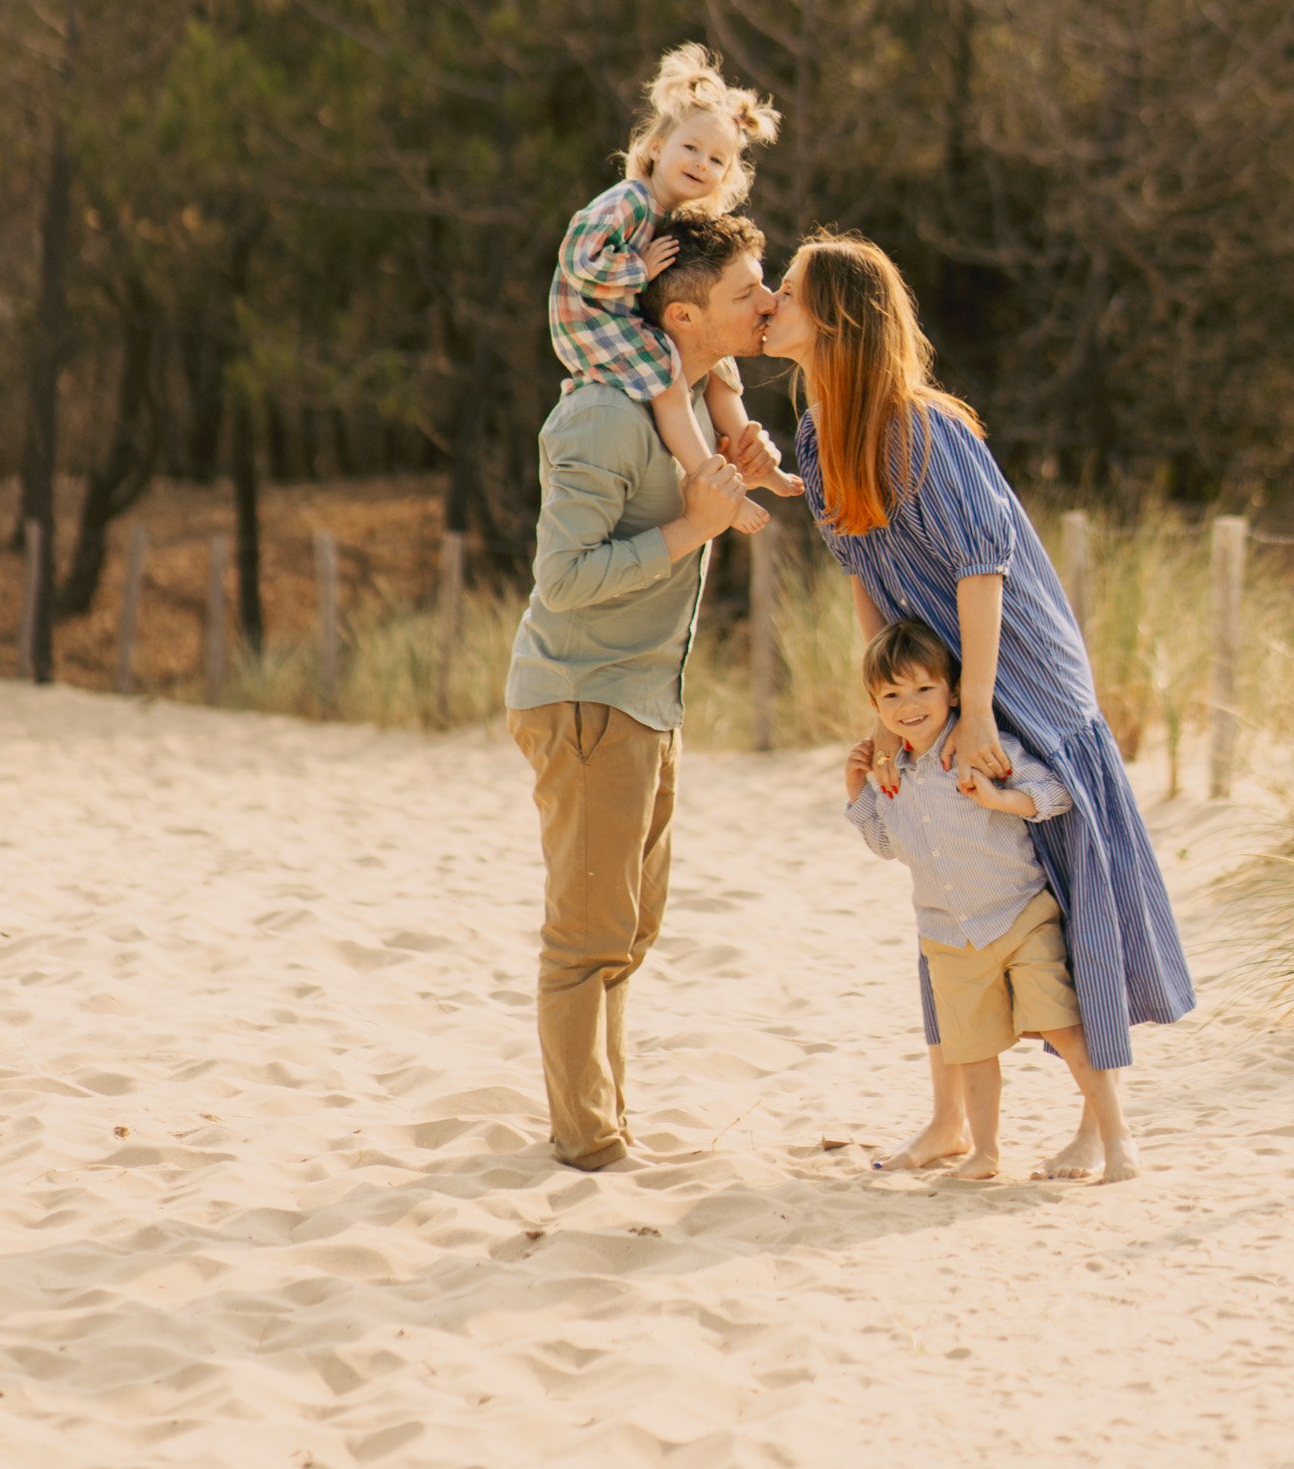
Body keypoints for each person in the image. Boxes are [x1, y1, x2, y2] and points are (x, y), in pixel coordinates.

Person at [765, 231, 1194, 1176]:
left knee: (1062, 889)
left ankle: (1099, 1124)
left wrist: (985, 709)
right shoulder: (814, 433)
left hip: (1019, 676)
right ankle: (948, 1120)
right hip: (926, 678)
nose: (768, 300)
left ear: (835, 317)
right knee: (948, 880)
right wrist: (885, 701)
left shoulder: (920, 428)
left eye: (787, 290)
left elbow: (981, 568)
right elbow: (861, 575)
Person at [506, 210, 786, 1171]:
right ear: (680, 316)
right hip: (583, 697)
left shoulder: (698, 401)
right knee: (587, 936)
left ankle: (603, 1118)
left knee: (630, 929)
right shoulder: (598, 416)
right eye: (749, 293)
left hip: (644, 695)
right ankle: (588, 1143)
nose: (769, 303)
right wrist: (691, 529)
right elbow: (563, 577)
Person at [845, 616, 1139, 1183]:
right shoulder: (892, 773)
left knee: (1065, 1029)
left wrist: (1001, 799)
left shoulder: (986, 747)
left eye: (924, 688)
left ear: (953, 690)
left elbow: (1055, 794)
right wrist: (855, 791)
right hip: (949, 936)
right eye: (892, 694)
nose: (910, 705)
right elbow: (885, 846)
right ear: (875, 705)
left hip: (1020, 916)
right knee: (972, 1052)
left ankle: (1116, 1137)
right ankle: (985, 1152)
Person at [548, 45, 800, 530]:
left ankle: (754, 463)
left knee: (720, 367)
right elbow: (577, 256)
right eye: (690, 148)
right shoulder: (631, 200)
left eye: (716, 160)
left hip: (625, 314)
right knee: (667, 377)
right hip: (591, 321)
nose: (701, 163)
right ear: (657, 146)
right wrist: (637, 270)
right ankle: (717, 489)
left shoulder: (677, 216)